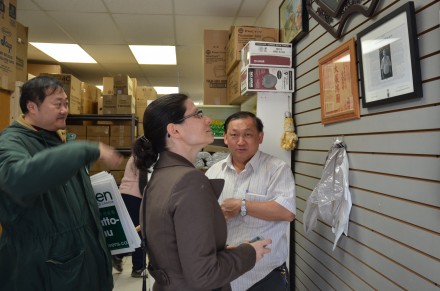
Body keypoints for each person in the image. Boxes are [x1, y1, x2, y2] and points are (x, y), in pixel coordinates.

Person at [132, 93, 272, 290]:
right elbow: (204, 276)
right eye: (197, 114)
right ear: (174, 130)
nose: (207, 119)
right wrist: (248, 253)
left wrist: (222, 252)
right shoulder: (188, 181)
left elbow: (174, 250)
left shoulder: (160, 177)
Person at [0, 75, 123, 291]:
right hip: (47, 271)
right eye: (58, 104)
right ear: (32, 107)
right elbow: (18, 179)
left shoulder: (55, 139)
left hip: (82, 265)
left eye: (66, 103)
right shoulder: (10, 143)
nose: (65, 110)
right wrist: (85, 149)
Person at [205, 111, 296, 291]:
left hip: (266, 274)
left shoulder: (277, 169)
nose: (240, 142)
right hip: (225, 272)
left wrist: (242, 205)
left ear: (260, 137)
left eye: (248, 134)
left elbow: (286, 211)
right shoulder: (213, 173)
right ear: (224, 138)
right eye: (234, 135)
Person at [112, 155, 145, 278]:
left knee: (131, 230)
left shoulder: (135, 155)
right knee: (139, 231)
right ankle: (138, 268)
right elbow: (143, 181)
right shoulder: (143, 156)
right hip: (135, 196)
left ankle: (118, 255)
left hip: (125, 194)